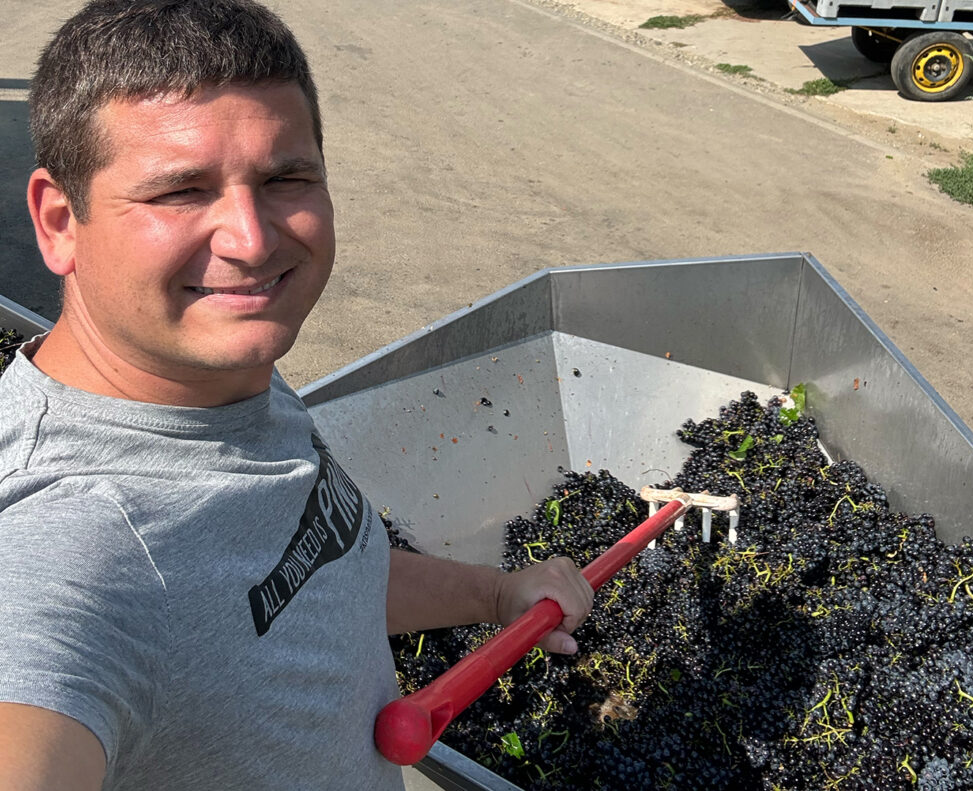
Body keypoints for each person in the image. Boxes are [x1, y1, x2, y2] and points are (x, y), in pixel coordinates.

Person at [0, 2, 594, 789]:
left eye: (285, 178)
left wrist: (497, 592)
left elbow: (311, 572)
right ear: (58, 222)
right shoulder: (70, 545)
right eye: (180, 191)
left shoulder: (217, 373)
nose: (251, 241)